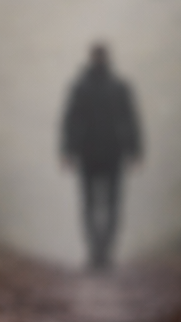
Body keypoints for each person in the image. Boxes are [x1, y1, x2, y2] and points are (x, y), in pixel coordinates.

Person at [61, 43, 143, 270]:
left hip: (112, 153)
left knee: (111, 205)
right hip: (89, 154)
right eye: (97, 56)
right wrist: (67, 151)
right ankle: (95, 252)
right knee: (91, 205)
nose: (99, 59)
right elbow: (70, 120)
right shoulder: (81, 87)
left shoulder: (119, 86)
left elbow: (131, 118)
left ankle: (104, 252)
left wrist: (135, 150)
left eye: (101, 56)